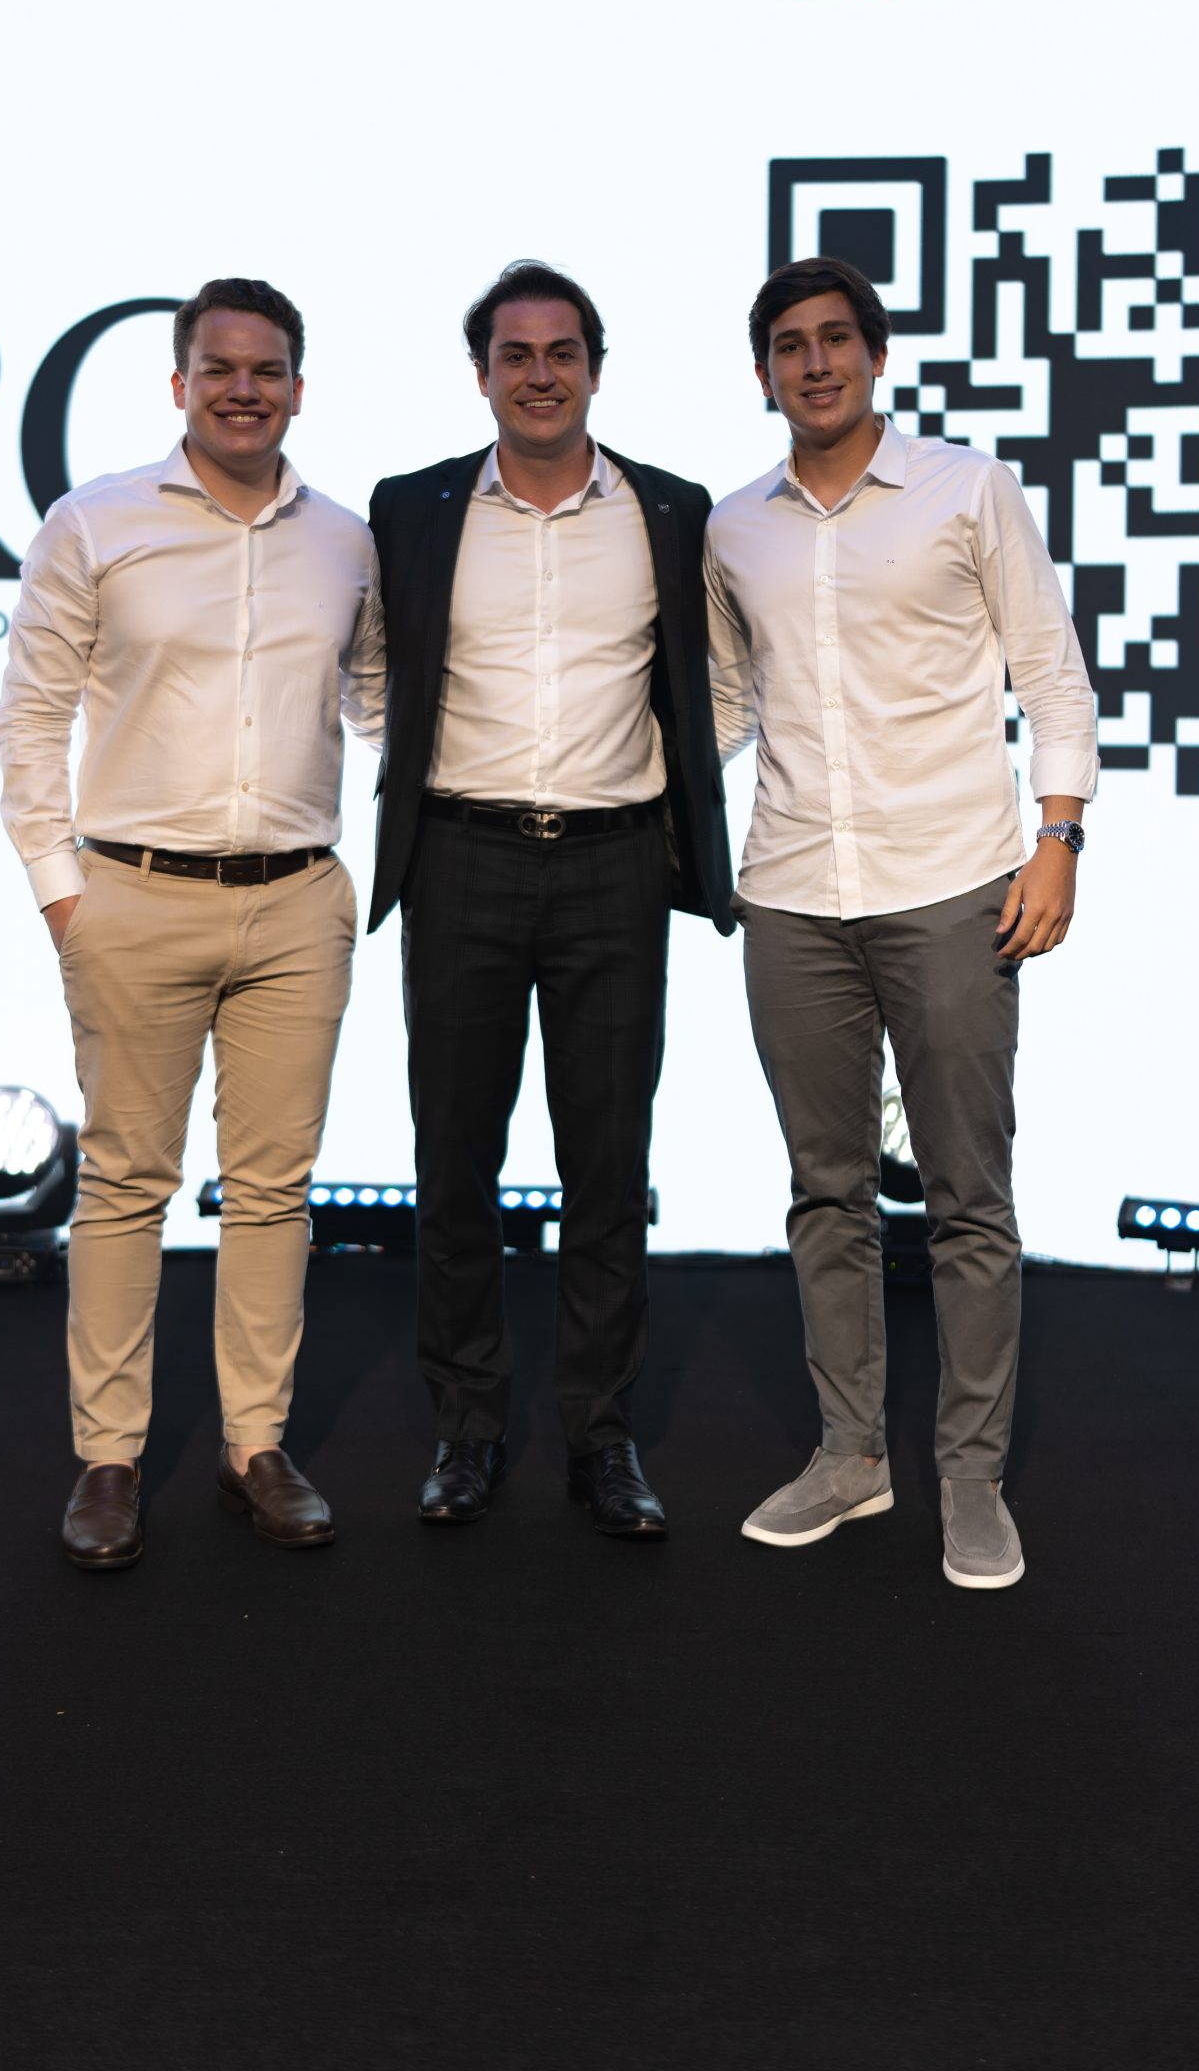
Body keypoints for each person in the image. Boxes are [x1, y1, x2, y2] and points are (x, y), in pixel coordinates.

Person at [705, 254, 1097, 1588]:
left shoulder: (966, 487)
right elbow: (723, 707)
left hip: (952, 880)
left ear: (875, 356)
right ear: (761, 372)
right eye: (788, 344)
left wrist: (1057, 840)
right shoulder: (732, 528)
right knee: (825, 1193)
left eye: (834, 338)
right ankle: (850, 1455)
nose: (812, 362)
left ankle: (972, 1478)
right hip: (791, 893)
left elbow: (1051, 673)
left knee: (965, 1197)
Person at [0, 276, 384, 1571]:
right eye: (219, 368)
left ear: (298, 389)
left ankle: (253, 1445)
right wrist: (63, 893)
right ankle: (108, 1459)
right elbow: (29, 713)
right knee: (124, 1185)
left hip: (297, 904)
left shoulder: (347, 543)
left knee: (274, 1192)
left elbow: (384, 700)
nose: (242, 389)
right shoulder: (95, 522)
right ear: (179, 384)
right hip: (133, 898)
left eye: (266, 369)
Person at [367, 260, 733, 1536]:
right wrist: (421, 767)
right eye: (515, 354)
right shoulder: (411, 508)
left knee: (608, 1167)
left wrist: (677, 781)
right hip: (459, 857)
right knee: (454, 1161)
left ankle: (601, 1437)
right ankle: (467, 1431)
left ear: (596, 368)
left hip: (613, 865)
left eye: (562, 351)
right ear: (481, 374)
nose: (540, 374)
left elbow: (710, 679)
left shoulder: (670, 510)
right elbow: (377, 669)